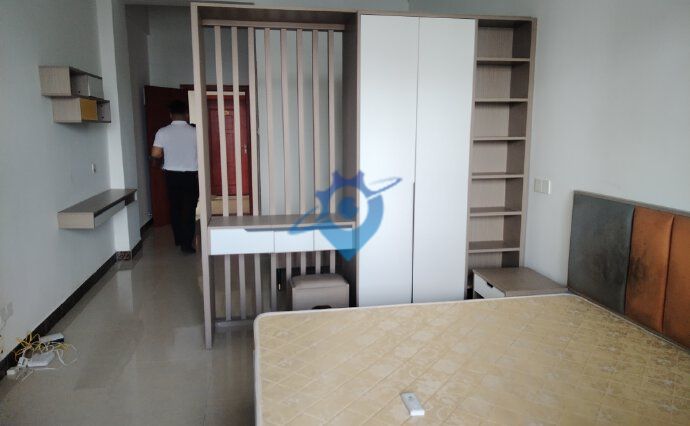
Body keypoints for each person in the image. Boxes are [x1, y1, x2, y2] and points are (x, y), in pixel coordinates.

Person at [151, 100, 199, 254]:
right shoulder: (196, 132)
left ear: (171, 115)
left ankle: (178, 238)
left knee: (175, 208)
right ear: (187, 114)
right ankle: (187, 244)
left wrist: (160, 165)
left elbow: (155, 155)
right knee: (189, 209)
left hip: (171, 176)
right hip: (191, 176)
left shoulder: (162, 132)